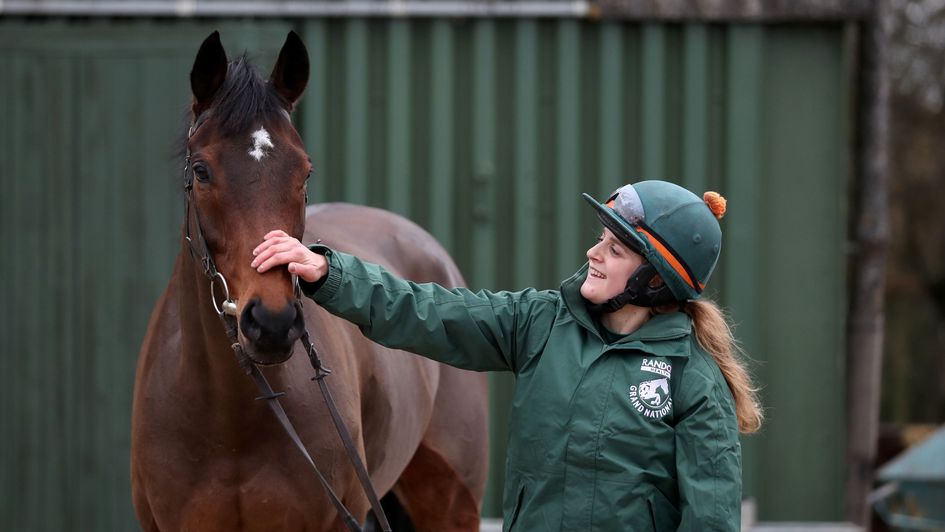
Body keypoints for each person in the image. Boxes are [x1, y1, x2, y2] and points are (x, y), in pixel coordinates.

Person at [251, 180, 763, 531]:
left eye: (616, 250)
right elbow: (431, 311)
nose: (594, 253)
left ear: (656, 279)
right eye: (600, 239)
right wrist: (330, 274)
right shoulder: (540, 323)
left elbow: (711, 517)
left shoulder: (693, 379)